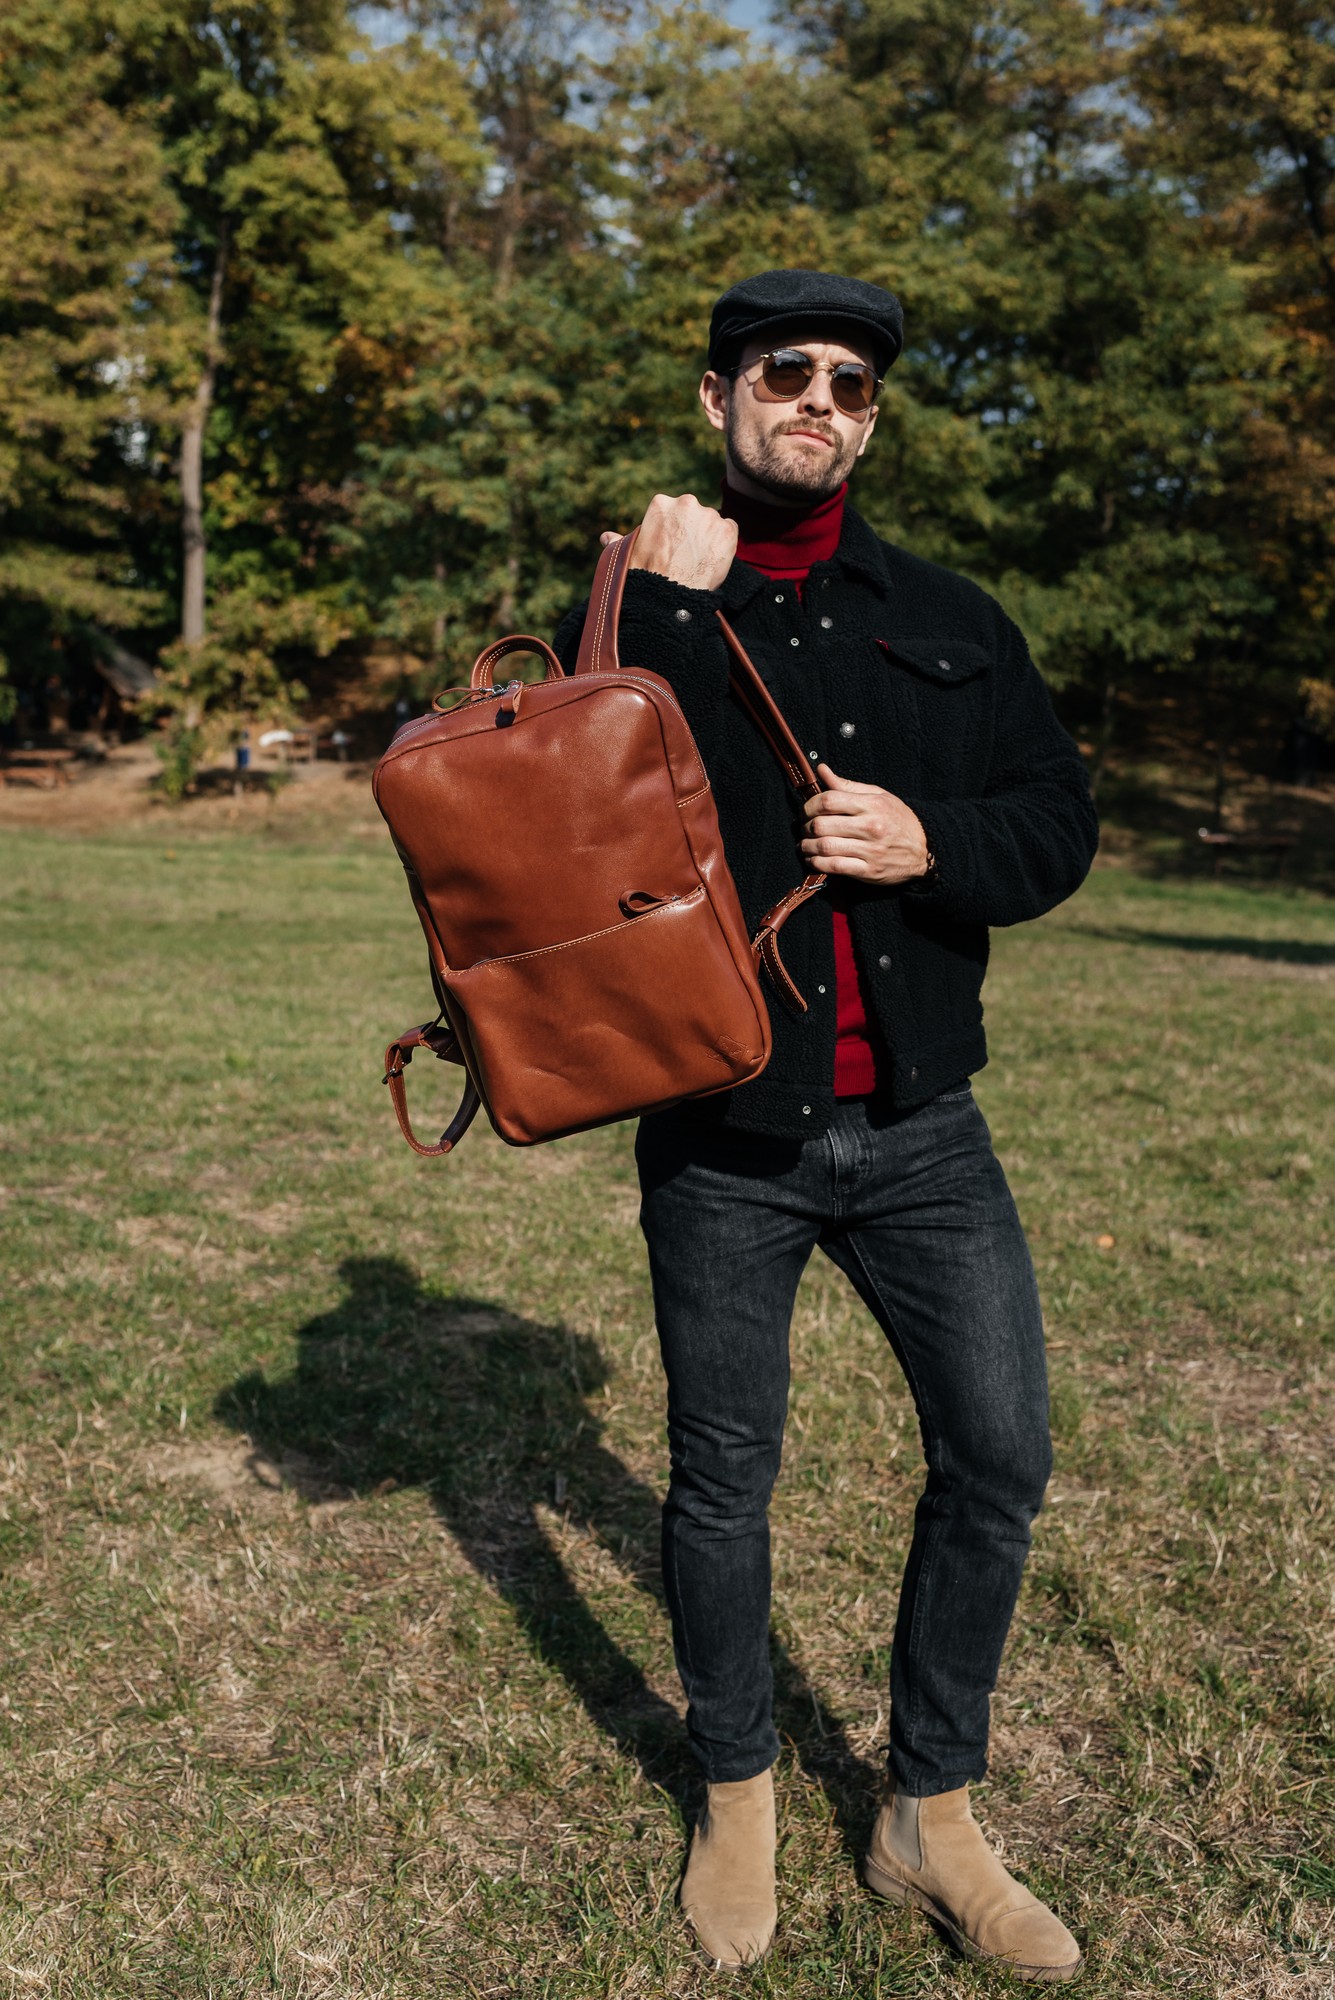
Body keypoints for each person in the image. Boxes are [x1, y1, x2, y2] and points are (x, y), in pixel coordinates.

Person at [554, 269, 1099, 1981]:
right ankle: (736, 1794)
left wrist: (935, 841)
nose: (821, 400)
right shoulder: (643, 603)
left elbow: (1057, 820)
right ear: (715, 397)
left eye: (852, 384)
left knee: (999, 1453)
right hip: (724, 1130)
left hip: (926, 1125)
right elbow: (560, 841)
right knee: (725, 1480)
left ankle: (928, 1812)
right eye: (786, 371)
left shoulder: (949, 612)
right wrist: (645, 624)